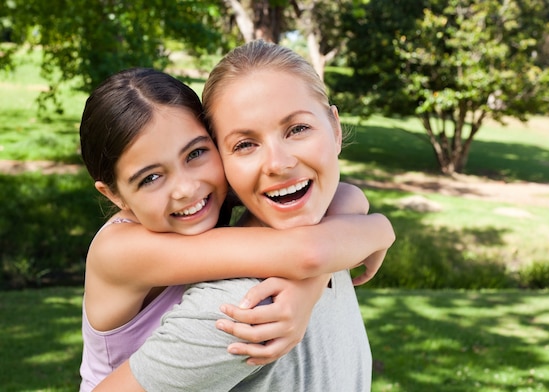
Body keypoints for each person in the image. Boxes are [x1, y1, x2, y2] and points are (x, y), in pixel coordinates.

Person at [94, 40, 395, 391]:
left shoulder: (324, 220)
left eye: (297, 129)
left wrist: (313, 279)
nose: (186, 190)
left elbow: (342, 205)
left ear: (335, 128)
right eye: (245, 144)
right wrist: (379, 230)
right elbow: (309, 253)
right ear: (114, 195)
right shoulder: (238, 309)